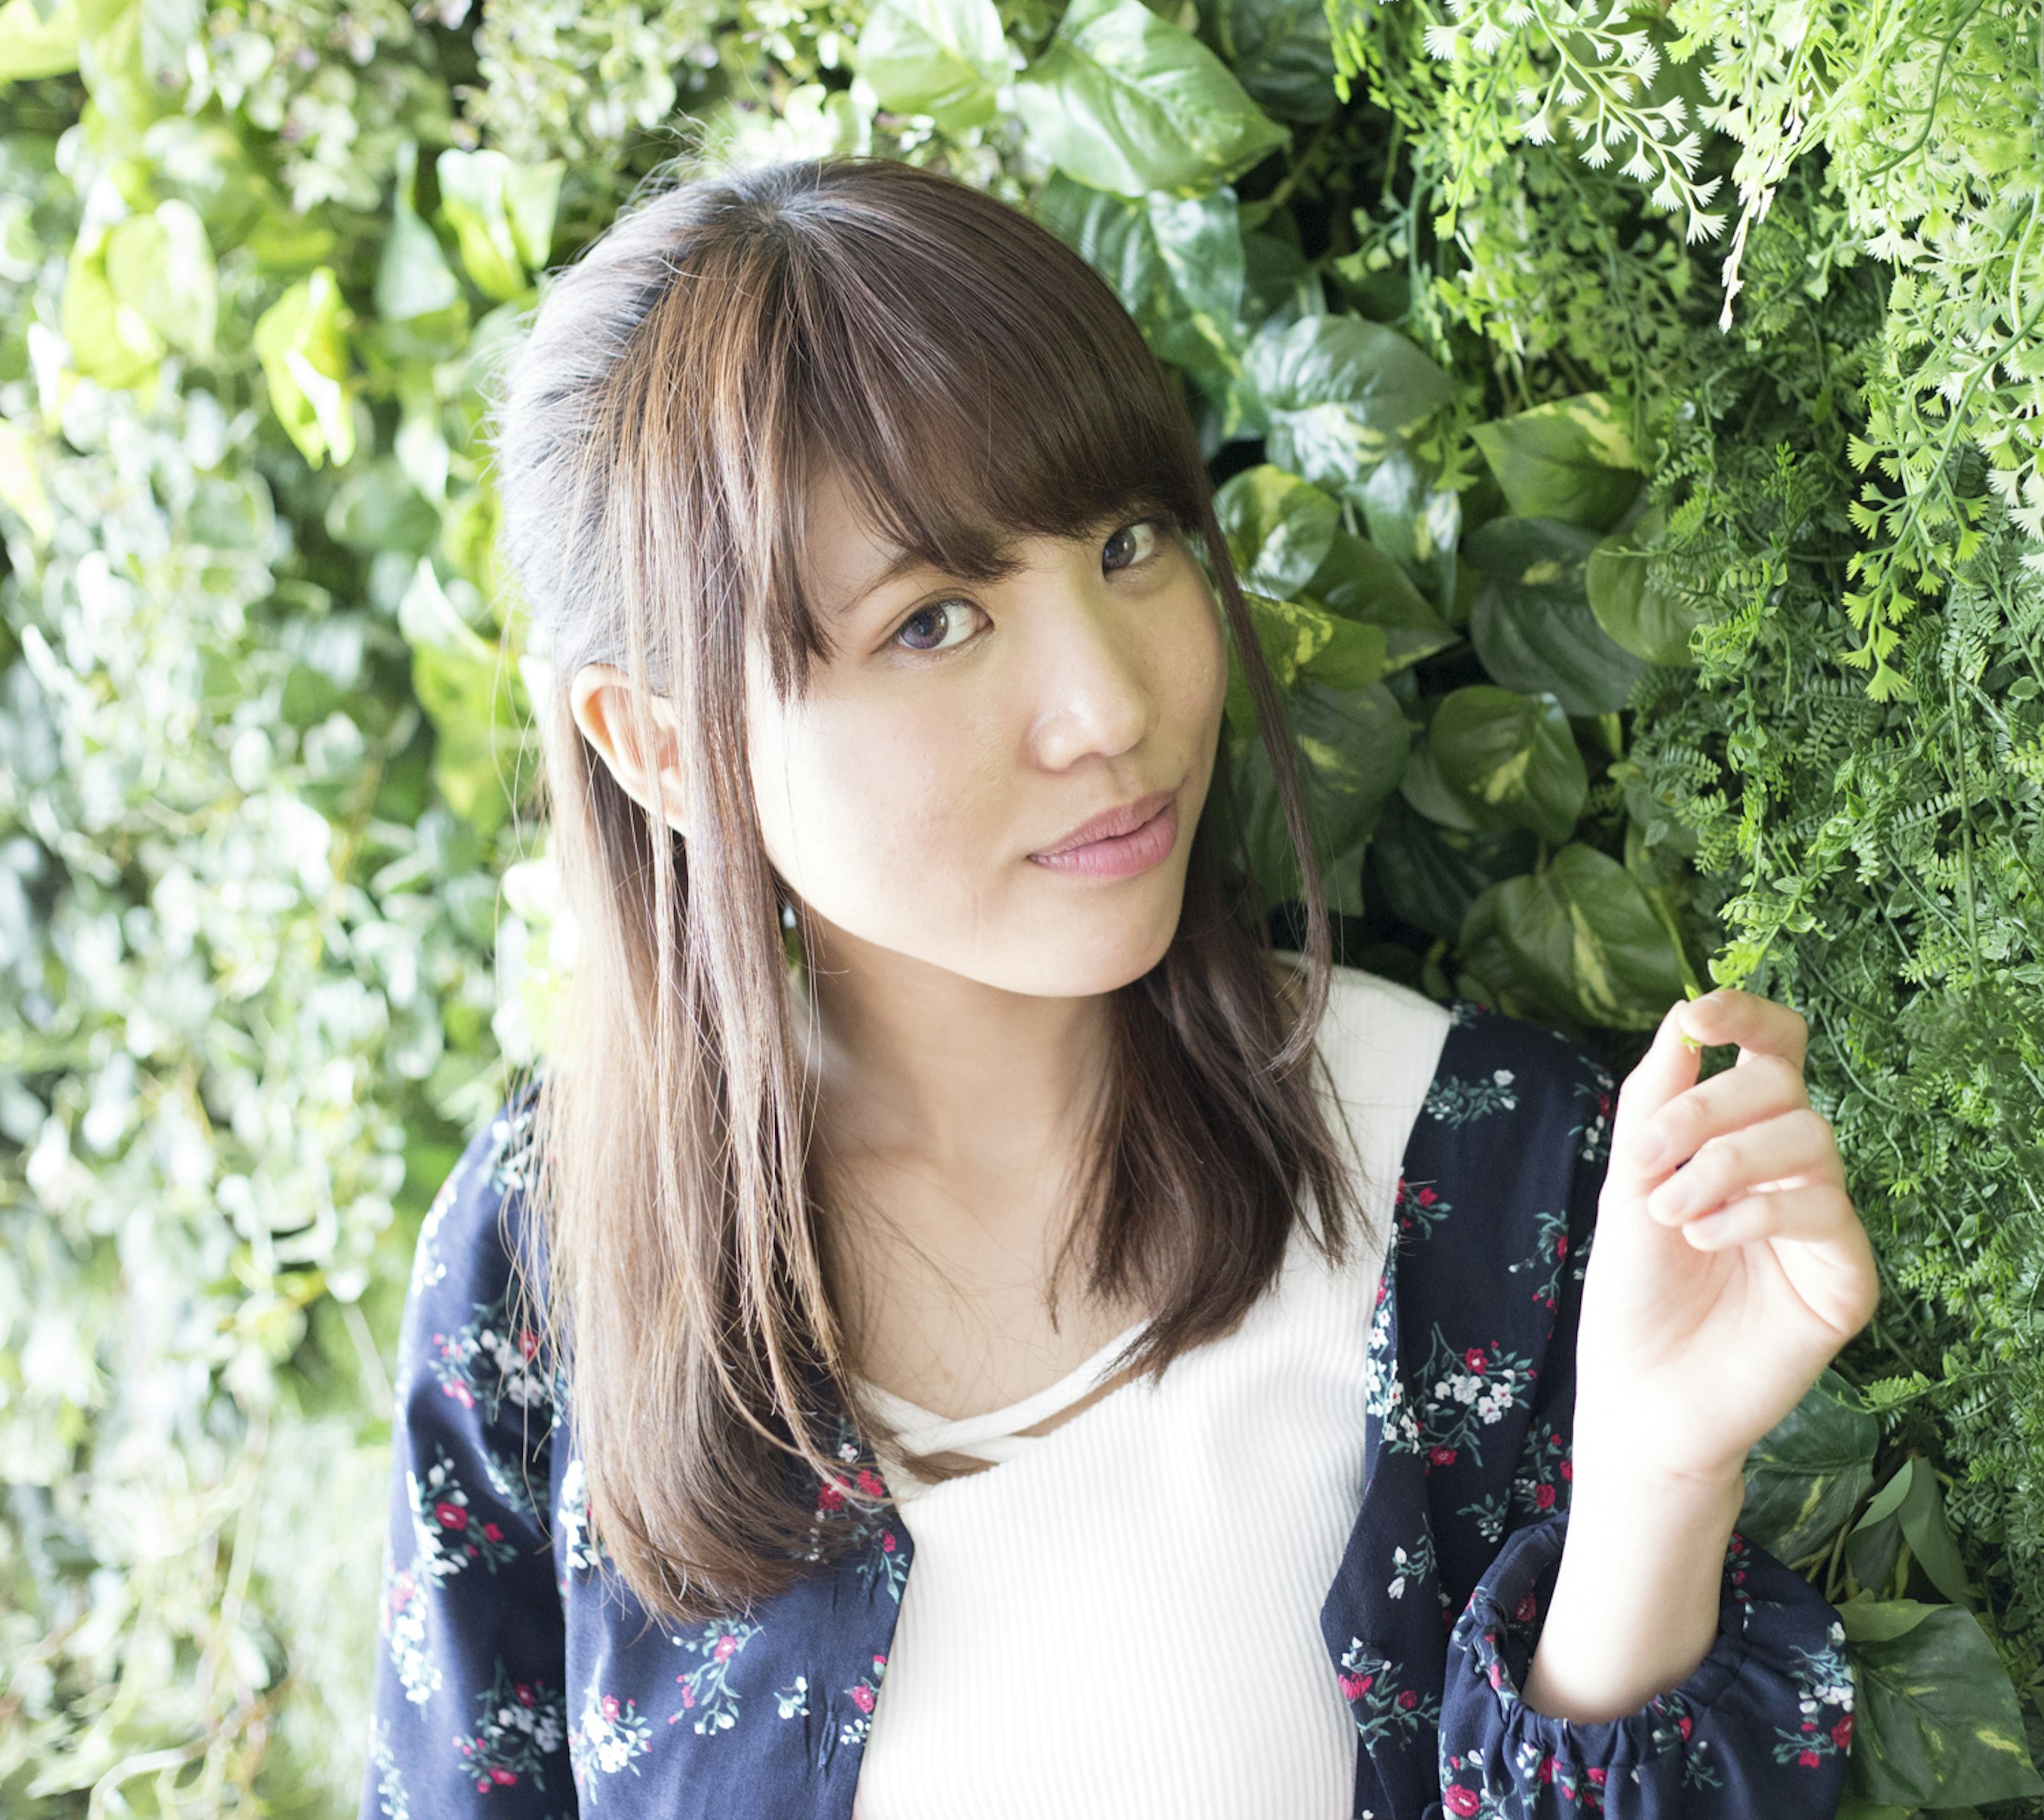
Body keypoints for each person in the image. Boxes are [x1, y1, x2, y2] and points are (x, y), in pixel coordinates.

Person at [363, 155, 1878, 1820]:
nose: (1106, 702)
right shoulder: (551, 1252)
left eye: (1130, 540)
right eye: (933, 621)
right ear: (660, 745)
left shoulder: (1480, 1180)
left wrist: (1662, 1483)